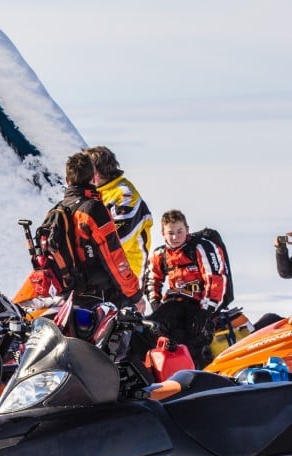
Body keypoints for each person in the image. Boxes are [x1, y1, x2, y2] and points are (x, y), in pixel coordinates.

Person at [53, 152, 146, 313]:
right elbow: (114, 257)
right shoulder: (94, 209)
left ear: (67, 180)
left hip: (69, 293)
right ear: (92, 178)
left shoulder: (57, 210)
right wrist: (135, 296)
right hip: (101, 294)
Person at [144, 209, 229, 367]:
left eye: (179, 231)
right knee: (152, 328)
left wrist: (206, 311)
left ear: (187, 229)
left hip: (199, 305)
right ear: (163, 233)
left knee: (196, 337)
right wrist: (155, 303)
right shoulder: (159, 254)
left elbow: (216, 278)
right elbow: (151, 281)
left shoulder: (201, 248)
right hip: (174, 304)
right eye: (171, 232)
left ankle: (198, 374)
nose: (175, 237)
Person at [85, 146, 153, 280]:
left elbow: (118, 240)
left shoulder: (125, 195)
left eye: (85, 170)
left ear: (95, 172)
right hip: (102, 274)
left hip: (127, 276)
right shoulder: (96, 193)